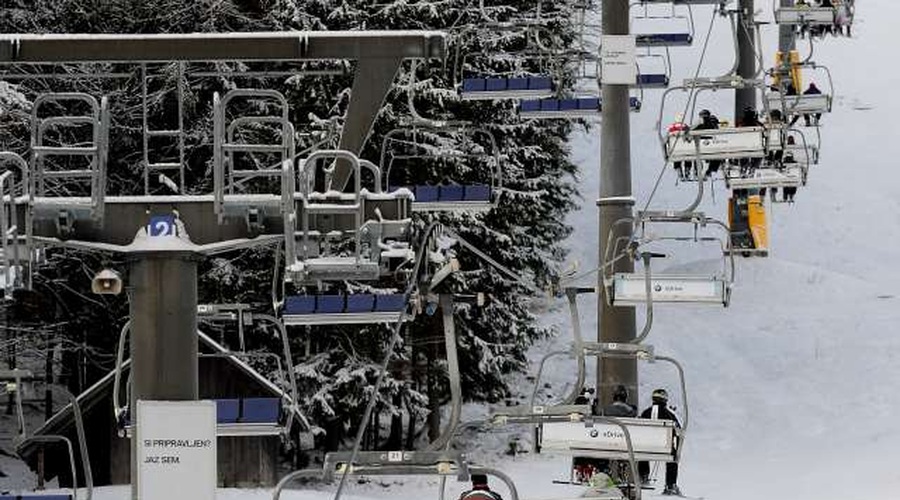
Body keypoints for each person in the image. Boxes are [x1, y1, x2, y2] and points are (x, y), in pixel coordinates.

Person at [638, 389, 681, 496]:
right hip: (664, 449)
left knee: (642, 449)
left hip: (645, 448)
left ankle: (643, 476)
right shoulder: (669, 414)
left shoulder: (645, 412)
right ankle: (670, 485)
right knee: (673, 458)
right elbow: (678, 430)